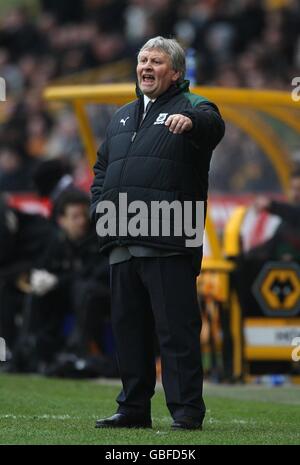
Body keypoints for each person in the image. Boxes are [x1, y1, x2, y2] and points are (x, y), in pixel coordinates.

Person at [90, 36, 225, 430]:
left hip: (168, 238)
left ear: (176, 73)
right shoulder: (120, 116)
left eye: (157, 61)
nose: (146, 66)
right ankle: (133, 408)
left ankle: (186, 412)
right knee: (128, 330)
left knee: (175, 330)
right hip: (121, 237)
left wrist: (192, 123)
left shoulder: (194, 106)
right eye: (143, 60)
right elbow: (101, 168)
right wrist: (99, 206)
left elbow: (213, 126)